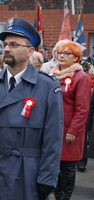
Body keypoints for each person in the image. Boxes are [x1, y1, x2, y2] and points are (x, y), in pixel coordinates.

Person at [0, 17, 64, 200]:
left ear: (30, 51)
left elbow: (53, 138)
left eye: (13, 45)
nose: (6, 49)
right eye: (5, 44)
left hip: (29, 173)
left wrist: (47, 177)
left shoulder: (47, 86)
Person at [50, 41, 90, 200]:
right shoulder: (52, 75)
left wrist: (73, 130)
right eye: (60, 52)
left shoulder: (81, 77)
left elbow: (83, 108)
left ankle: (64, 197)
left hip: (69, 130)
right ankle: (57, 194)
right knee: (55, 165)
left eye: (67, 53)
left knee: (67, 167)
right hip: (53, 128)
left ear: (76, 58)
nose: (61, 55)